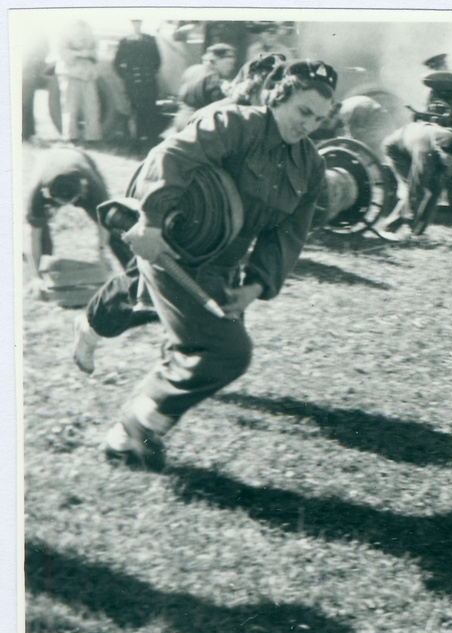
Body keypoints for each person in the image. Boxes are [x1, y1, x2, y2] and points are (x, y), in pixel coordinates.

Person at [94, 59, 336, 470]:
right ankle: (140, 421)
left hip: (225, 265)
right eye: (303, 112)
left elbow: (290, 233)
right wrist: (150, 221)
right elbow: (171, 155)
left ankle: (122, 441)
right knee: (228, 351)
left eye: (319, 118)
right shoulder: (233, 124)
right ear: (278, 98)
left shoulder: (310, 166)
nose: (309, 125)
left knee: (193, 348)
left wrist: (257, 285)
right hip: (173, 248)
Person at [25, 147, 111, 296]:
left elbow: (104, 223)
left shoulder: (93, 186)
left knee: (113, 223)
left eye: (70, 201)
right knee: (40, 229)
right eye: (60, 202)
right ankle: (43, 272)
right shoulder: (37, 192)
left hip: (78, 157)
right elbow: (33, 236)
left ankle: (133, 273)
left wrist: (102, 254)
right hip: (46, 161)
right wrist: (36, 277)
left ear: (82, 191)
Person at [114, 20, 163, 150]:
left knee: (150, 111)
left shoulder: (150, 40)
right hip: (133, 84)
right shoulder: (125, 41)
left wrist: (150, 74)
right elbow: (117, 63)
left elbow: (157, 61)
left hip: (148, 82)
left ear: (141, 24)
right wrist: (127, 77)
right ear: (131, 24)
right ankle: (135, 142)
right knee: (135, 112)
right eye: (134, 23)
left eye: (139, 23)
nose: (137, 25)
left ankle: (152, 140)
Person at [52, 18, 102, 144]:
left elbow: (97, 53)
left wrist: (89, 54)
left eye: (83, 27)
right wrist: (80, 53)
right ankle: (70, 137)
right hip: (71, 74)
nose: (81, 30)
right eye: (78, 27)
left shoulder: (92, 37)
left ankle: (93, 136)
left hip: (88, 74)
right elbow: (62, 52)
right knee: (70, 107)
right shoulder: (65, 35)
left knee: (92, 107)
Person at [171, 43, 236, 131]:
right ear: (216, 60)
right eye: (229, 63)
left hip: (180, 119)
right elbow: (218, 104)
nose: (231, 67)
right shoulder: (212, 76)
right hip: (198, 124)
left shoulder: (192, 69)